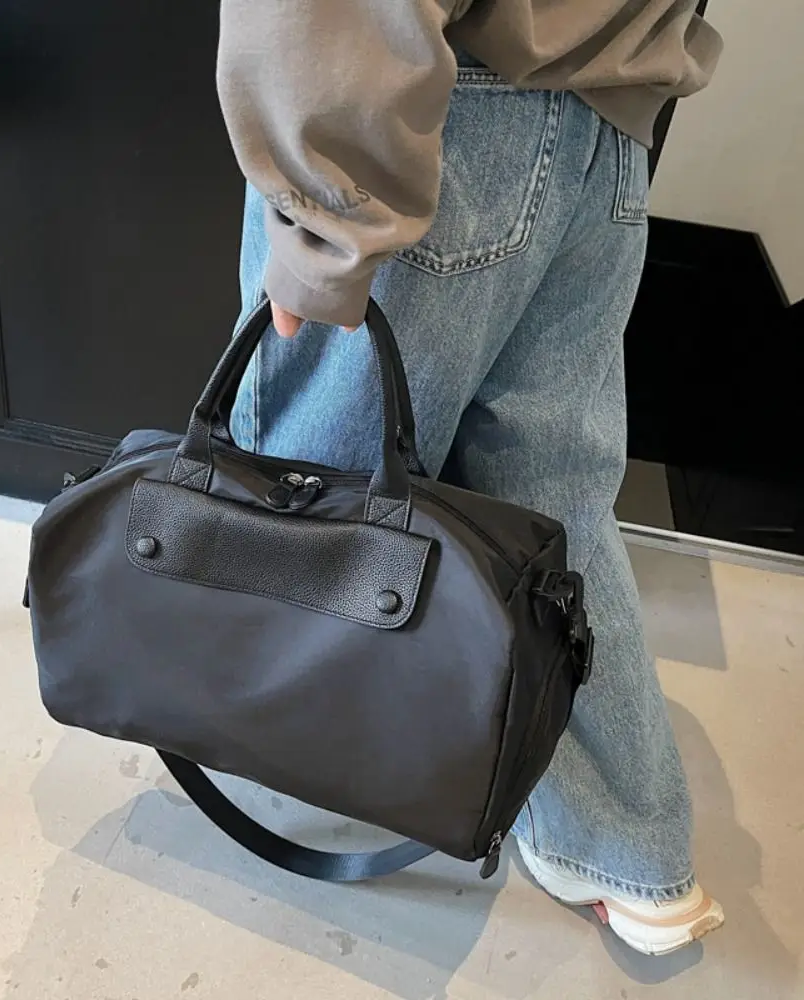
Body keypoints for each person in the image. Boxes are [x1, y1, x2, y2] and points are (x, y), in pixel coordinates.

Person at [215, 0, 724, 957]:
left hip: (433, 118)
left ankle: (283, 736)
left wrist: (321, 227)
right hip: (609, 131)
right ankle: (630, 850)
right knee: (554, 511)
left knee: (309, 490)